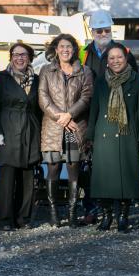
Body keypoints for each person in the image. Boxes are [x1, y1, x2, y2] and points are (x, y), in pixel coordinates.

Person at [78, 10, 136, 224]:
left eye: (106, 30)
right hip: (89, 116)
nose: (103, 33)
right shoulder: (84, 53)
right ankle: (92, 208)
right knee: (89, 166)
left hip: (116, 118)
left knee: (113, 166)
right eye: (99, 30)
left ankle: (114, 211)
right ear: (92, 31)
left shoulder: (123, 52)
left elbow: (134, 85)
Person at [86, 43, 139, 232]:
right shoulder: (100, 81)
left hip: (127, 135)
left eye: (119, 57)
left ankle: (123, 217)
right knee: (104, 179)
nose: (115, 61)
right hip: (104, 135)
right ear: (107, 61)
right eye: (111, 58)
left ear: (126, 58)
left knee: (126, 179)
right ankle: (106, 217)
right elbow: (94, 111)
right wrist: (89, 136)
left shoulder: (138, 81)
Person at [38, 33, 93, 228]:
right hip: (54, 127)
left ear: (74, 49)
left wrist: (69, 115)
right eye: (61, 46)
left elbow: (86, 97)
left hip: (75, 127)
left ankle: (72, 212)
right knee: (53, 168)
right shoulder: (46, 70)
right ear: (55, 49)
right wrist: (61, 117)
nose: (65, 50)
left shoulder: (84, 71)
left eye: (69, 46)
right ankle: (53, 212)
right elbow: (43, 99)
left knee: (74, 168)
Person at [0, 43, 41, 230]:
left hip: (30, 130)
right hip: (7, 131)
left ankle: (23, 219)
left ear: (30, 58)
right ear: (11, 57)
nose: (20, 58)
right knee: (7, 179)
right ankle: (4, 220)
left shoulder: (37, 79)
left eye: (24, 55)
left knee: (27, 179)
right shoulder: (1, 78)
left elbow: (39, 109)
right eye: (16, 54)